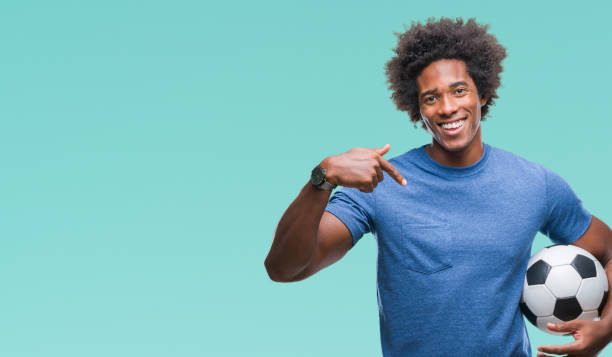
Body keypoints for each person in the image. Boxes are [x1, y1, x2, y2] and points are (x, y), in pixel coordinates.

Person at [264, 17, 612, 356]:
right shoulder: (380, 184)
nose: (447, 108)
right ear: (417, 109)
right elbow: (284, 268)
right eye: (431, 98)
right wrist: (321, 180)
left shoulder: (536, 185)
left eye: (459, 91)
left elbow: (609, 251)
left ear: (483, 94)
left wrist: (607, 327)